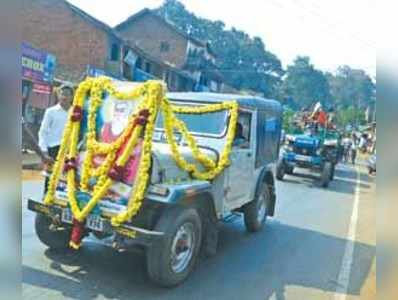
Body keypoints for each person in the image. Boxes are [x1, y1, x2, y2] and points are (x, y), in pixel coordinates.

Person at [38, 85, 73, 192]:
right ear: (58, 95)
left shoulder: (75, 113)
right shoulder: (51, 111)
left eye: (67, 95)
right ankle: (47, 200)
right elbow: (43, 131)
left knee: (65, 178)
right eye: (62, 94)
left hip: (69, 150)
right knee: (50, 178)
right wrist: (43, 150)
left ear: (72, 97)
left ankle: (60, 201)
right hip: (53, 149)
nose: (64, 97)